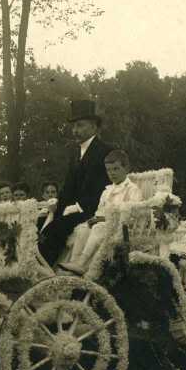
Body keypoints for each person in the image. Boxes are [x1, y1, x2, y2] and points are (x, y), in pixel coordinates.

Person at [38, 99, 114, 266]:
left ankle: (47, 272)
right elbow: (68, 186)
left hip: (92, 210)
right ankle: (41, 267)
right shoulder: (75, 152)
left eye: (80, 125)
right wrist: (59, 205)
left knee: (55, 230)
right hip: (72, 208)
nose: (75, 131)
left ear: (94, 126)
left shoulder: (106, 151)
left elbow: (104, 187)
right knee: (42, 223)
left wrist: (77, 208)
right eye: (73, 126)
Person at [58, 149, 141, 275]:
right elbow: (100, 211)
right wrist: (94, 219)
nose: (111, 173)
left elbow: (131, 213)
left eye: (116, 169)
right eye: (108, 170)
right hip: (102, 224)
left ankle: (82, 264)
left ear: (126, 168)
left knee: (98, 228)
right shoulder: (107, 191)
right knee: (82, 230)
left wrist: (102, 220)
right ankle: (74, 264)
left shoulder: (132, 189)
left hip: (120, 228)